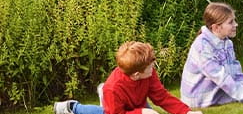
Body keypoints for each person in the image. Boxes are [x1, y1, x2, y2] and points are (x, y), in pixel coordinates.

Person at [54, 41, 201, 114]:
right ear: (137, 74)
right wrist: (141, 112)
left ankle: (102, 94)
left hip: (136, 100)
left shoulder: (148, 73)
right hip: (116, 103)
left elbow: (161, 96)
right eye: (150, 66)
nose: (153, 68)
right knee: (104, 112)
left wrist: (186, 112)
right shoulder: (114, 88)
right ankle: (73, 107)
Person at [181, 2, 243, 107]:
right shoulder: (202, 47)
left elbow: (236, 74)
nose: (236, 24)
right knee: (241, 94)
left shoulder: (227, 43)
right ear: (216, 28)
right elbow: (222, 79)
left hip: (216, 89)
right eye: (231, 22)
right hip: (199, 99)